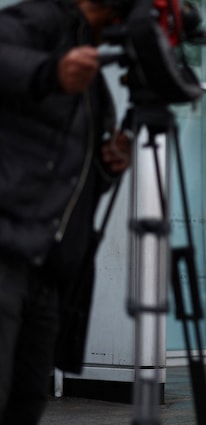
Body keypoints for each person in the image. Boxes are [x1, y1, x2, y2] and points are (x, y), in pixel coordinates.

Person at [0, 0, 131, 423]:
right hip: (8, 248)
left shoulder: (97, 86)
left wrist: (108, 168)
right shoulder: (39, 20)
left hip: (52, 269)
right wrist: (48, 73)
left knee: (28, 397)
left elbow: (73, 178)